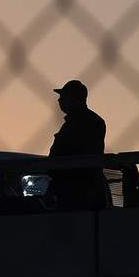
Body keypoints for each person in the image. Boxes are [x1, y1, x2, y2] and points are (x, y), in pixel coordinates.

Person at [48, 79, 107, 211]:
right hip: (72, 187)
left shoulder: (86, 122)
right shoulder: (78, 122)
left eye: (63, 97)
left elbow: (74, 152)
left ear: (74, 98)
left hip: (78, 191)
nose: (59, 100)